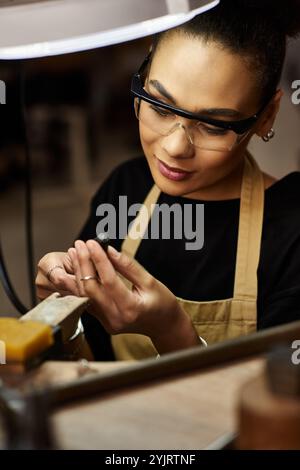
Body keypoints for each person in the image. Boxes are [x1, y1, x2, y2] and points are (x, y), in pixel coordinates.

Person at [36, 0, 300, 361]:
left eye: (213, 125)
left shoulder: (290, 231)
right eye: (159, 106)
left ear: (266, 116)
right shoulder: (125, 189)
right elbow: (90, 363)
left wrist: (173, 333)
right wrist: (63, 314)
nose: (175, 148)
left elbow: (279, 409)